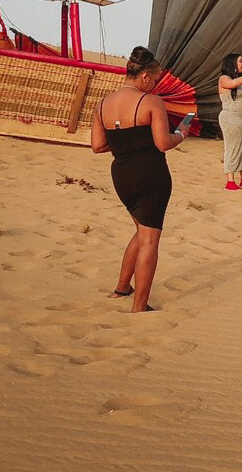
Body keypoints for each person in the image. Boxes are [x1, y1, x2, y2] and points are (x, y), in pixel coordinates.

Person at [91, 46, 189, 312]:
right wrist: (182, 133)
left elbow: (98, 146)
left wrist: (127, 142)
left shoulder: (102, 105)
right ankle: (140, 306)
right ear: (145, 76)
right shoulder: (151, 102)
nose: (155, 84)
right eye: (155, 79)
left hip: (121, 175)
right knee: (149, 239)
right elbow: (163, 143)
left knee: (141, 231)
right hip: (150, 173)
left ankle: (123, 287)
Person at [217, 53, 242, 190]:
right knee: (233, 147)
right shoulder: (224, 78)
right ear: (232, 63)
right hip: (231, 118)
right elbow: (232, 84)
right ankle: (230, 180)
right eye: (240, 61)